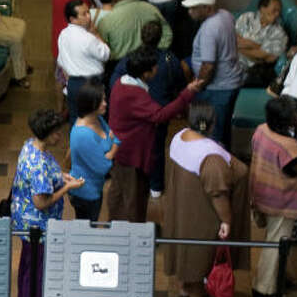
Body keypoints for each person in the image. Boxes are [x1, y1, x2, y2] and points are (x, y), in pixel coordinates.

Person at [162, 100, 249, 297]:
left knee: (186, 249)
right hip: (202, 214)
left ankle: (185, 286)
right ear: (211, 124)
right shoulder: (210, 157)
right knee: (200, 254)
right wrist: (226, 220)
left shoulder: (180, 136)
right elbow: (218, 193)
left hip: (183, 209)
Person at [108, 47, 203, 221]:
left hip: (125, 151)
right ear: (145, 73)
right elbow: (159, 115)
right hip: (130, 154)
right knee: (131, 198)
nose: (157, 69)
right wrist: (187, 93)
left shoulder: (123, 83)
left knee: (124, 194)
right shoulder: (133, 93)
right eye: (154, 67)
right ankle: (131, 234)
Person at [11, 109, 86, 297]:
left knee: (27, 265)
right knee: (36, 271)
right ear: (48, 133)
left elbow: (42, 175)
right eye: (57, 133)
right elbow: (41, 202)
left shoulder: (30, 146)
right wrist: (67, 187)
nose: (60, 136)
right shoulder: (38, 166)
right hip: (38, 227)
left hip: (25, 221)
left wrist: (60, 176)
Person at [111, 19, 191, 195]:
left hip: (135, 117)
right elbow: (180, 83)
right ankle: (156, 186)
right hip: (160, 111)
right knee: (156, 150)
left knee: (141, 150)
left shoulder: (131, 59)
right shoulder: (169, 59)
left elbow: (114, 80)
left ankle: (142, 184)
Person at [250, 95, 297, 297]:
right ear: (285, 120)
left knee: (274, 238)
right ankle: (265, 289)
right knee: (277, 243)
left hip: (262, 193)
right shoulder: (289, 147)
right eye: (296, 113)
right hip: (281, 200)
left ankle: (278, 277)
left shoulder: (262, 130)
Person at [184, 0, 244, 148]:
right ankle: (226, 163)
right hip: (231, 82)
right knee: (223, 130)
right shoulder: (226, 15)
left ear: (207, 8)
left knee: (211, 136)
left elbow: (209, 66)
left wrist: (198, 85)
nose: (190, 11)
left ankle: (213, 169)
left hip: (217, 89)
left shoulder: (209, 29)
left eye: (194, 8)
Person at [68, 82, 120, 220]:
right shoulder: (83, 135)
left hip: (95, 186)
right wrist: (112, 149)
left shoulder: (98, 119)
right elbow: (103, 167)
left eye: (104, 99)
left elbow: (116, 139)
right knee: (87, 229)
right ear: (89, 104)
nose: (105, 104)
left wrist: (110, 151)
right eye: (100, 101)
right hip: (85, 192)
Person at [58, 0, 111, 121]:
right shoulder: (88, 38)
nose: (89, 16)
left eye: (88, 12)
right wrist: (96, 33)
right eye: (84, 14)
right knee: (95, 122)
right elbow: (106, 54)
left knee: (75, 120)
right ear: (73, 19)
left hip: (72, 84)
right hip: (91, 85)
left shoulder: (63, 34)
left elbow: (61, 61)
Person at [97, 0, 172, 59]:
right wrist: (156, 52)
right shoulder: (151, 9)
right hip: (152, 62)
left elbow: (102, 50)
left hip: (122, 67)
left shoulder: (107, 20)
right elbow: (167, 34)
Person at [236, 0, 288, 88]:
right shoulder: (246, 18)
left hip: (250, 71)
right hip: (230, 61)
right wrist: (256, 45)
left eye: (279, 11)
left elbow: (264, 56)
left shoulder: (279, 33)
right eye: (274, 10)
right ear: (262, 8)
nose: (277, 14)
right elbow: (233, 38)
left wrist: (238, 47)